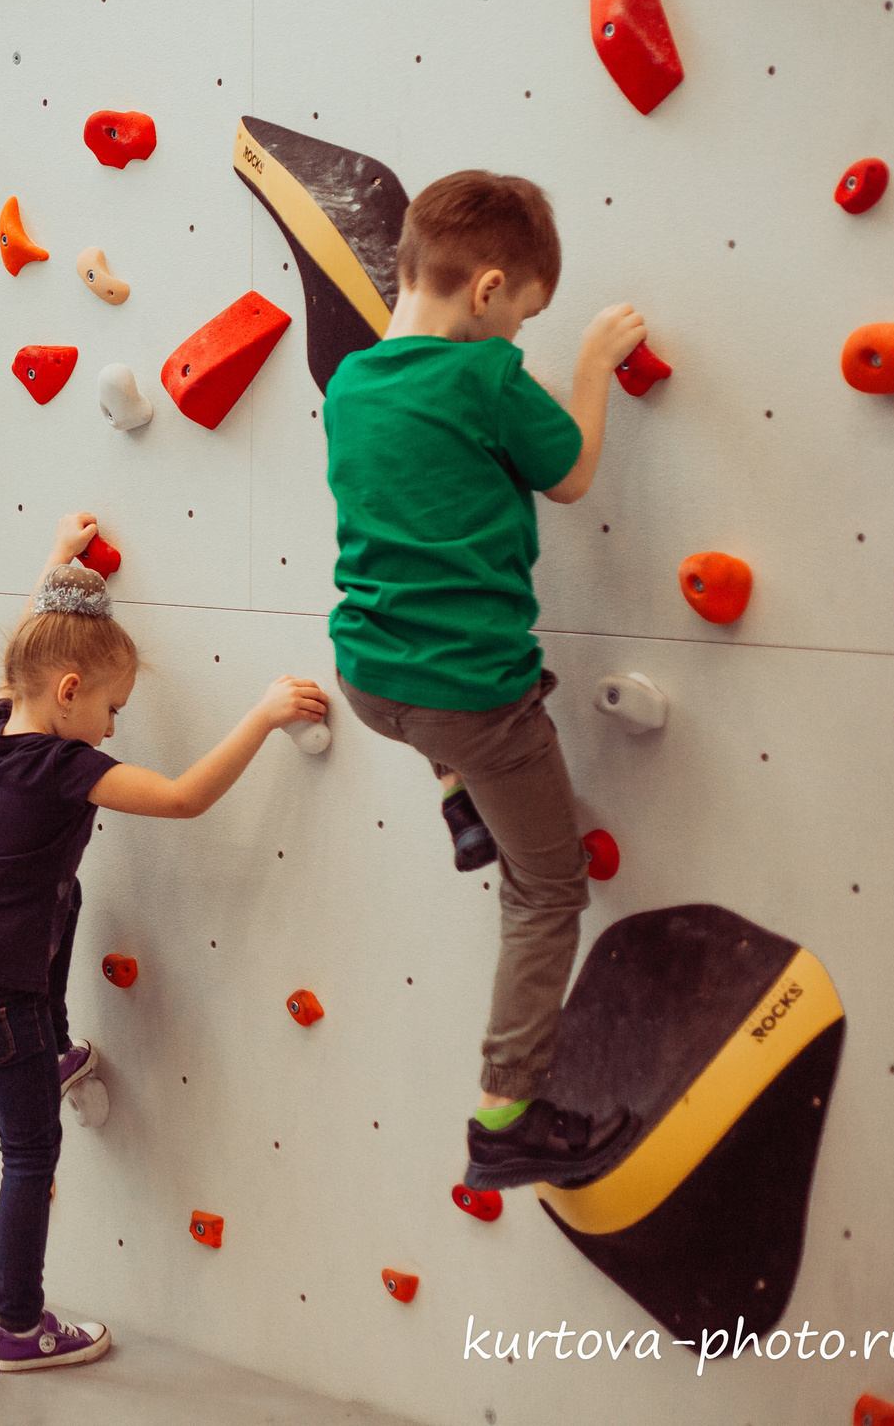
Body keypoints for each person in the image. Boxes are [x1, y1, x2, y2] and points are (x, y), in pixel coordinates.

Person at [0, 514, 325, 1373]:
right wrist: (262, 714)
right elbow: (179, 798)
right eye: (110, 708)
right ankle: (18, 1329)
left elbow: (27, 649)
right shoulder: (66, 769)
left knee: (65, 893)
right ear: (68, 691)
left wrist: (56, 563)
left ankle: (49, 1054)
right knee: (30, 1152)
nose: (111, 726)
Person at [322, 170, 649, 1192]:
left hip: (370, 678)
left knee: (447, 715)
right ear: (490, 290)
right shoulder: (491, 379)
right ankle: (508, 1110)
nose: (521, 334)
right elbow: (572, 472)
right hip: (469, 694)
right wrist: (591, 361)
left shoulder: (350, 382)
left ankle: (461, 803)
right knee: (549, 887)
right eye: (523, 315)